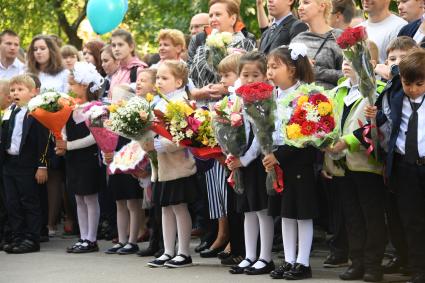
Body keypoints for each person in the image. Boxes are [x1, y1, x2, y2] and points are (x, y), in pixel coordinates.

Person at [364, 49, 425, 283]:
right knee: (412, 221)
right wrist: (375, 114)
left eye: (419, 84)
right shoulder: (397, 94)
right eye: (408, 83)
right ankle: (418, 269)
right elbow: (384, 119)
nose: (413, 89)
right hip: (405, 166)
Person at [264, 44, 317, 280]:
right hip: (277, 162)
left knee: (302, 214)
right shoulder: (272, 96)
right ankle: (289, 259)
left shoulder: (305, 95)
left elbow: (305, 136)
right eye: (268, 67)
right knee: (285, 213)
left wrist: (278, 155)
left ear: (293, 70)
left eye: (275, 66)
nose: (270, 72)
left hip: (298, 163)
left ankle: (303, 262)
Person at [141, 60, 198, 268]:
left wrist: (158, 145)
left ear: (179, 81)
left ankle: (183, 252)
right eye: (158, 78)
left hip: (177, 166)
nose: (159, 82)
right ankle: (168, 250)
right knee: (165, 208)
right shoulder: (158, 102)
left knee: (179, 208)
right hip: (161, 168)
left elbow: (182, 137)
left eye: (165, 78)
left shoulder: (181, 103)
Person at [227, 51, 276, 276]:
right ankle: (249, 255)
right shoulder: (238, 98)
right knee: (247, 211)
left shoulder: (267, 99)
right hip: (242, 161)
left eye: (255, 75)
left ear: (266, 75)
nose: (250, 80)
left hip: (258, 162)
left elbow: (261, 134)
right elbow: (238, 130)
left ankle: (265, 257)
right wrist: (231, 152)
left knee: (262, 210)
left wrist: (244, 159)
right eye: (245, 75)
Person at [56, 62, 105, 253]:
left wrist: (69, 145)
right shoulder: (69, 107)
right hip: (73, 159)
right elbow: (64, 128)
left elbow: (96, 136)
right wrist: (62, 141)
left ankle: (91, 239)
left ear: (84, 84)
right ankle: (83, 236)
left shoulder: (96, 108)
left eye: (72, 84)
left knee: (90, 198)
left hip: (89, 158)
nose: (69, 88)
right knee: (78, 198)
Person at [1, 74, 49, 254]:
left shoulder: (36, 113)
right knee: (12, 202)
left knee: (29, 201)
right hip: (10, 163)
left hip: (27, 164)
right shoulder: (9, 111)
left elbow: (44, 141)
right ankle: (18, 235)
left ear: (32, 93)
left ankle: (32, 238)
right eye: (13, 90)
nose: (15, 93)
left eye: (20, 89)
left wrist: (42, 165)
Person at [291, 0, 344, 90]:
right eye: (299, 4)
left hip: (333, 101)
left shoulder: (339, 37)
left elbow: (351, 76)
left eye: (306, 2)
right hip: (300, 101)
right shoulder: (297, 40)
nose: (299, 8)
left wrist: (314, 71)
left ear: (322, 6)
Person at [109, 29, 147, 97]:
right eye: (113, 45)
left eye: (120, 45)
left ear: (131, 47)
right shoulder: (117, 71)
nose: (116, 49)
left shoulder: (139, 69)